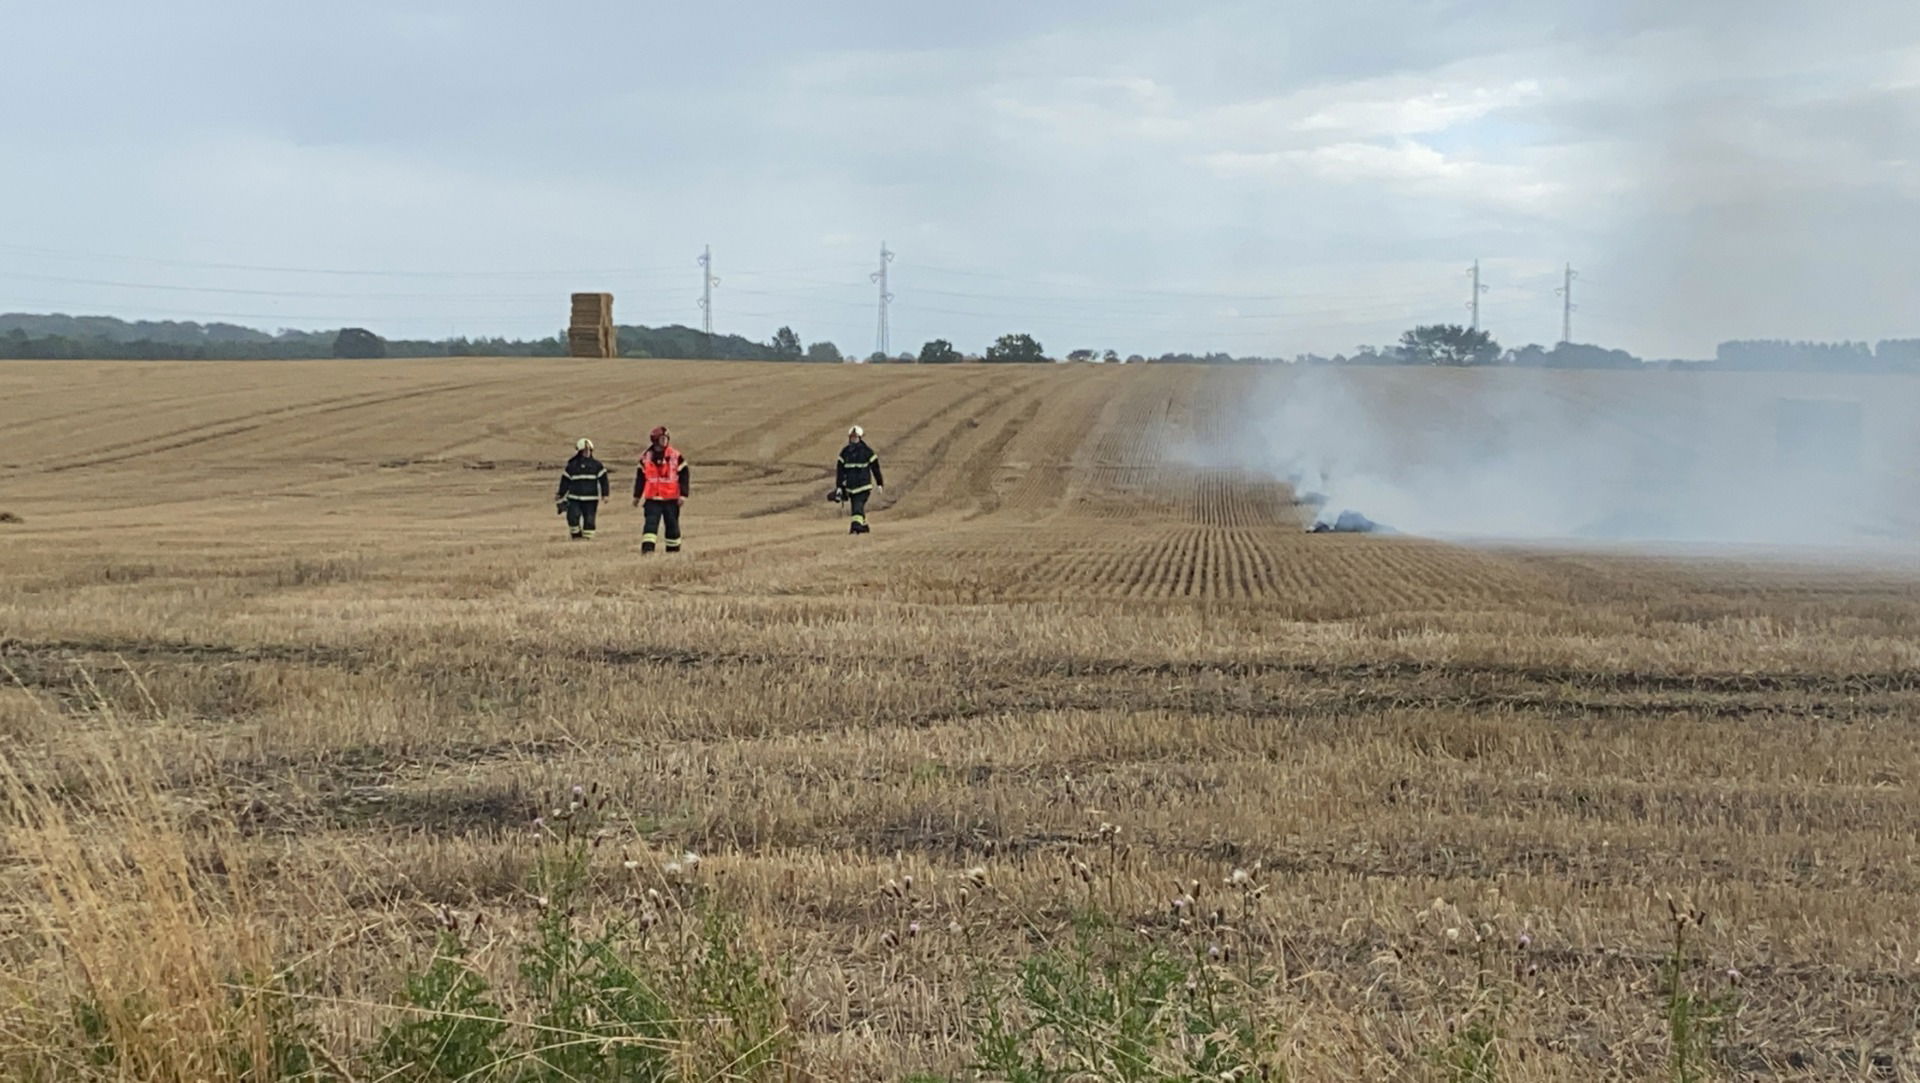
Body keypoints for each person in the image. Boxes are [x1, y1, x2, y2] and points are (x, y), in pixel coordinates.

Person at [632, 425, 690, 553]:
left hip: (671, 499)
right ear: (655, 440)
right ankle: (647, 551)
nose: (665, 441)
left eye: (666, 438)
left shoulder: (675, 455)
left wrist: (683, 495)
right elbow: (640, 479)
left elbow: (684, 475)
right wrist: (637, 496)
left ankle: (673, 551)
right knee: (650, 525)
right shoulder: (645, 457)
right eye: (662, 438)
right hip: (652, 499)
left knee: (672, 526)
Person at [555, 437, 610, 539]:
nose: (587, 452)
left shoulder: (597, 465)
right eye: (585, 451)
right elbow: (565, 481)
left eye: (589, 450)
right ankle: (576, 536)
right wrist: (560, 494)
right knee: (572, 518)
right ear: (579, 451)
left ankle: (587, 540)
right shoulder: (572, 465)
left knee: (589, 520)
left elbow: (604, 481)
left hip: (591, 499)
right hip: (574, 498)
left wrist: (605, 494)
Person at [836, 424, 884, 534]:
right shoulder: (845, 453)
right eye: (852, 437)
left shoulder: (867, 452)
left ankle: (855, 526)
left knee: (857, 506)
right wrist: (839, 487)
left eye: (855, 437)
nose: (853, 439)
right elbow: (840, 471)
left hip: (863, 486)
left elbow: (875, 468)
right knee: (857, 507)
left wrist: (879, 483)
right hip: (851, 487)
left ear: (860, 438)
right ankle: (862, 525)